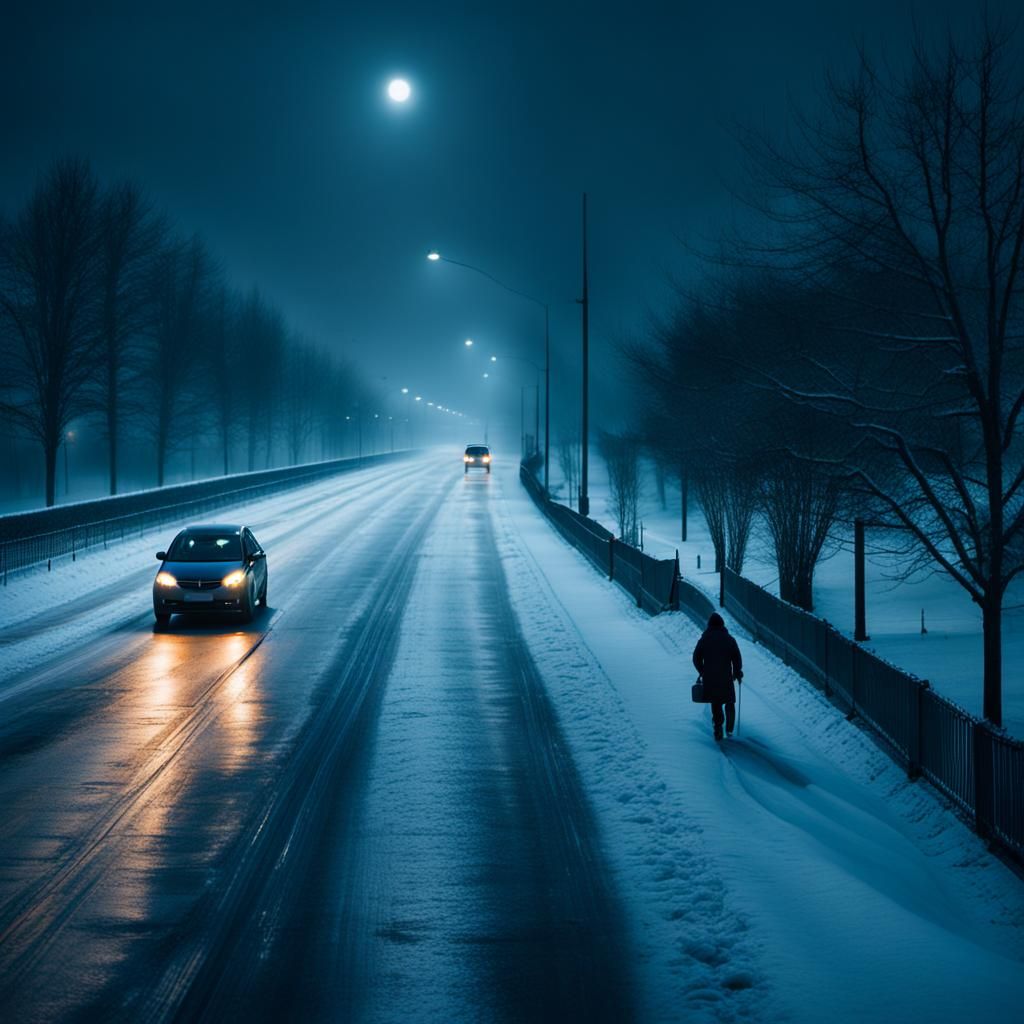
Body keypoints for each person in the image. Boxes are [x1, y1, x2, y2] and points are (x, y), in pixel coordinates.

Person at [692, 612, 743, 741]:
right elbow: (736, 657)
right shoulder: (729, 639)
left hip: (711, 678)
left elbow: (696, 657)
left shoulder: (705, 639)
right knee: (729, 701)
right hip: (726, 677)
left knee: (716, 703)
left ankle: (718, 727)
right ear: (722, 625)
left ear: (709, 625)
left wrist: (703, 671)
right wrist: (737, 672)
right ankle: (730, 729)